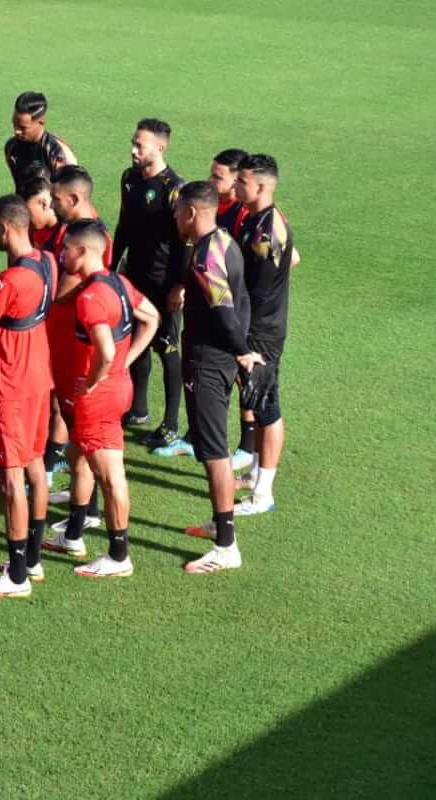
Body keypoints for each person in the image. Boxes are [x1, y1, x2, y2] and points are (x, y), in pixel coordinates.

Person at [49, 221, 159, 576]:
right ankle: (74, 534)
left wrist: (95, 380)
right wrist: (125, 363)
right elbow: (152, 318)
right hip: (116, 387)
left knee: (111, 477)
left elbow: (106, 350)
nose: (61, 254)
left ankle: (118, 556)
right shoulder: (118, 282)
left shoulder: (90, 297)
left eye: (66, 248)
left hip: (99, 398)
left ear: (82, 251)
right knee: (78, 457)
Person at [169, 182, 261, 574]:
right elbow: (240, 301)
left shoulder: (205, 256)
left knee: (214, 453)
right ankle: (219, 523)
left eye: (178, 212)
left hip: (208, 362)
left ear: (191, 212)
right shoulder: (225, 240)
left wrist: (241, 351)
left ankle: (226, 546)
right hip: (219, 359)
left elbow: (224, 309)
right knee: (213, 450)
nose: (175, 219)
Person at [0, 196, 53, 599]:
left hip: (13, 387)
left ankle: (16, 576)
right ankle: (31, 560)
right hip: (40, 378)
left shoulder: (10, 281)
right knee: (35, 466)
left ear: (6, 228)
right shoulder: (47, 262)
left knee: (10, 478)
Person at [154, 148, 254, 463]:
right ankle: (195, 437)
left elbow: (284, 259)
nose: (211, 180)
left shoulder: (244, 215)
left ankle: (246, 448)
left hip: (233, 309)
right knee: (211, 391)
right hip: (215, 299)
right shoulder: (214, 213)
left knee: (241, 378)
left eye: (217, 176)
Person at [111, 118, 187, 451]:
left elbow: (185, 241)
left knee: (167, 349)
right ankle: (138, 408)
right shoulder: (129, 179)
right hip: (133, 276)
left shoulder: (175, 188)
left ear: (160, 147)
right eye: (133, 142)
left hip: (163, 281)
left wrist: (179, 286)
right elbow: (123, 226)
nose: (133, 150)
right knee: (134, 339)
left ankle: (171, 424)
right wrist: (112, 269)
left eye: (139, 145)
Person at [44, 167, 112, 525]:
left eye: (56, 199)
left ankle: (88, 512)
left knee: (83, 432)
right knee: (74, 429)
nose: (51, 204)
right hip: (62, 344)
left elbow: (64, 291)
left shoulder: (89, 237)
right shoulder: (69, 231)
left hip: (75, 349)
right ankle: (79, 494)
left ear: (74, 199)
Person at [232, 154, 297, 517]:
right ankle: (256, 471)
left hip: (262, 333)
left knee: (267, 407)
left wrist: (244, 335)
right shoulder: (257, 219)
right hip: (258, 326)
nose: (235, 186)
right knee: (255, 400)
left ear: (261, 186)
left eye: (241, 181)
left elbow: (254, 290)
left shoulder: (266, 233)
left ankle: (263, 494)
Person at [3, 91, 78, 188]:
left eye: (23, 128)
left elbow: (69, 191)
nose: (16, 131)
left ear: (41, 122)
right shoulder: (11, 146)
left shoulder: (57, 152)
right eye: (14, 124)